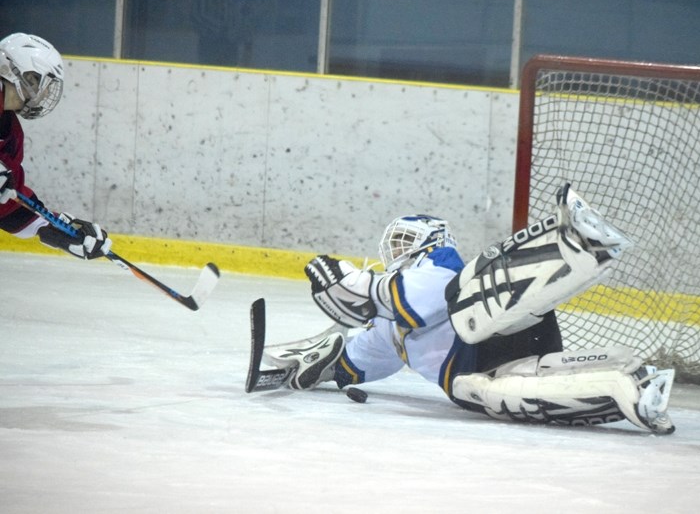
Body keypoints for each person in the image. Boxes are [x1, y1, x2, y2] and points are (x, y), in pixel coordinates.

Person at [265, 183, 676, 435]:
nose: (396, 251)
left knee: (468, 301)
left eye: (406, 241)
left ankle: (579, 244)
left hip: (500, 325)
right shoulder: (388, 326)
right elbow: (360, 356)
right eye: (394, 243)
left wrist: (360, 285)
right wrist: (317, 367)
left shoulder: (442, 263)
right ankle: (629, 389)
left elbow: (413, 301)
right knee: (479, 391)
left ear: (432, 240)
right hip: (482, 366)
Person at [0, 32, 111, 260]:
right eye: (35, 82)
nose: (40, 95)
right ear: (12, 71)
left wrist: (52, 227)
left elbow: (8, 203)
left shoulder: (12, 135)